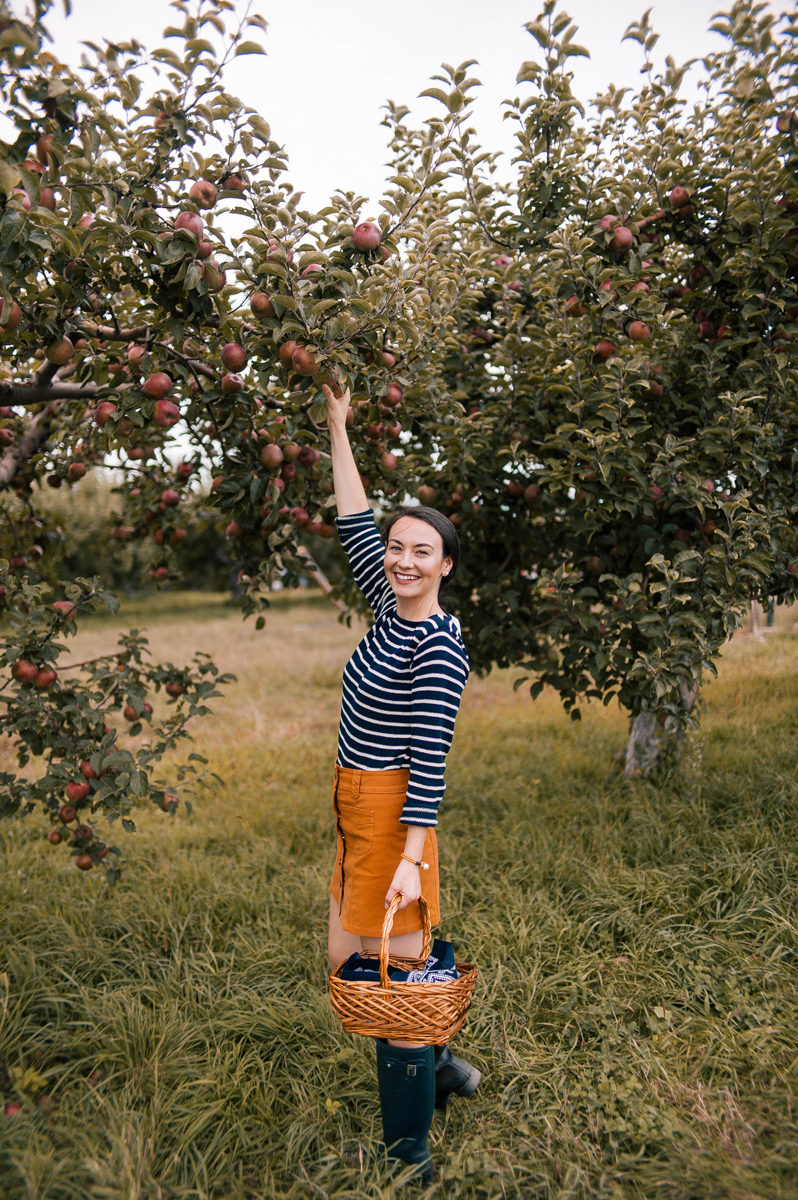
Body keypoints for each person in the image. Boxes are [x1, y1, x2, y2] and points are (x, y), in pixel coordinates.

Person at [322, 382, 480, 1180]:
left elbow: (429, 766)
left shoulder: (437, 649)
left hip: (394, 814)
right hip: (357, 807)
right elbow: (355, 523)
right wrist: (337, 428)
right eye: (399, 546)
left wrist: (413, 858)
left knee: (393, 986)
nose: (404, 558)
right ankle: (446, 1073)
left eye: (423, 551)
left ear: (445, 565)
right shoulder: (391, 610)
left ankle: (408, 1156)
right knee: (360, 965)